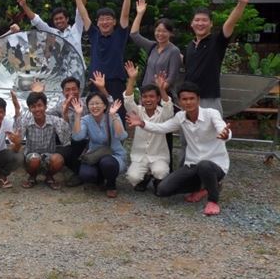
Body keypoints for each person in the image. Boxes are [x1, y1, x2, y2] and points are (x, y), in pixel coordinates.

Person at [126, 82, 232, 216]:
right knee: (163, 190)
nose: (188, 102)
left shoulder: (211, 114)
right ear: (180, 101)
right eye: (185, 99)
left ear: (198, 99)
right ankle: (205, 187)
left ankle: (213, 200)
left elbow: (221, 127)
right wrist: (141, 123)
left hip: (215, 165)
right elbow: (162, 127)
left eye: (192, 98)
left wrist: (225, 134)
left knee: (205, 165)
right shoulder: (180, 117)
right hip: (192, 165)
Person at [68, 0, 137, 120]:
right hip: (95, 82)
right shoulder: (94, 34)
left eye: (108, 19)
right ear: (97, 23)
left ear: (114, 22)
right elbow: (83, 14)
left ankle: (117, 141)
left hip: (116, 82)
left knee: (116, 115)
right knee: (96, 115)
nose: (105, 22)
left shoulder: (120, 34)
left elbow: (125, 14)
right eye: (102, 19)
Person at [184, 0, 254, 113]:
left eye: (204, 20)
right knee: (188, 133)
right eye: (197, 20)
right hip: (188, 99)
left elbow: (230, 22)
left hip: (209, 99)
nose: (200, 23)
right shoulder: (190, 45)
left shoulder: (217, 41)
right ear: (192, 24)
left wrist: (241, 4)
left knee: (213, 133)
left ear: (211, 24)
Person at [16, 0, 89, 66]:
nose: (58, 21)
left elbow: (80, 10)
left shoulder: (76, 29)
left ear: (67, 19)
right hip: (62, 75)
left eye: (61, 18)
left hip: (79, 72)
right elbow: (37, 21)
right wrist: (24, 6)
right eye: (56, 19)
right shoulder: (52, 33)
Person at [123, 62, 173, 192]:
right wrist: (132, 79)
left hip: (159, 156)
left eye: (152, 96)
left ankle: (157, 179)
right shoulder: (137, 112)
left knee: (161, 172)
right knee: (132, 178)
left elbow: (169, 107)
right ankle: (145, 177)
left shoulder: (163, 113)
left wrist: (162, 89)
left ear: (157, 98)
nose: (148, 100)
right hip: (140, 156)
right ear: (141, 98)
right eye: (145, 97)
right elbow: (128, 100)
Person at [71, 93, 127, 198]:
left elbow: (122, 136)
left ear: (105, 106)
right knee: (85, 174)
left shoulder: (113, 116)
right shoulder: (86, 120)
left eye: (98, 103)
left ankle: (111, 184)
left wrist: (114, 116)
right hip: (95, 156)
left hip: (114, 155)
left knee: (107, 163)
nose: (94, 106)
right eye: (91, 104)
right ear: (87, 106)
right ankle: (100, 179)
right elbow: (77, 137)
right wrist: (78, 115)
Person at [20, 92, 70, 190]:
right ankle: (32, 177)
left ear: (45, 106)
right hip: (31, 156)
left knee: (58, 159)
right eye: (33, 106)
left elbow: (65, 139)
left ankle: (49, 177)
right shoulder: (25, 121)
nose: (37, 109)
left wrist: (64, 114)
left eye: (40, 105)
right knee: (34, 159)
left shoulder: (54, 120)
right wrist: (17, 110)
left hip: (49, 156)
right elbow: (18, 139)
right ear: (29, 109)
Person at [130, 0, 181, 91]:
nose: (160, 34)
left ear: (171, 33)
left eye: (164, 31)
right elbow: (134, 35)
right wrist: (140, 14)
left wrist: (157, 93)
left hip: (161, 95)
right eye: (158, 31)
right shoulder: (152, 46)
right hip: (146, 94)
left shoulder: (174, 51)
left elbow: (171, 78)